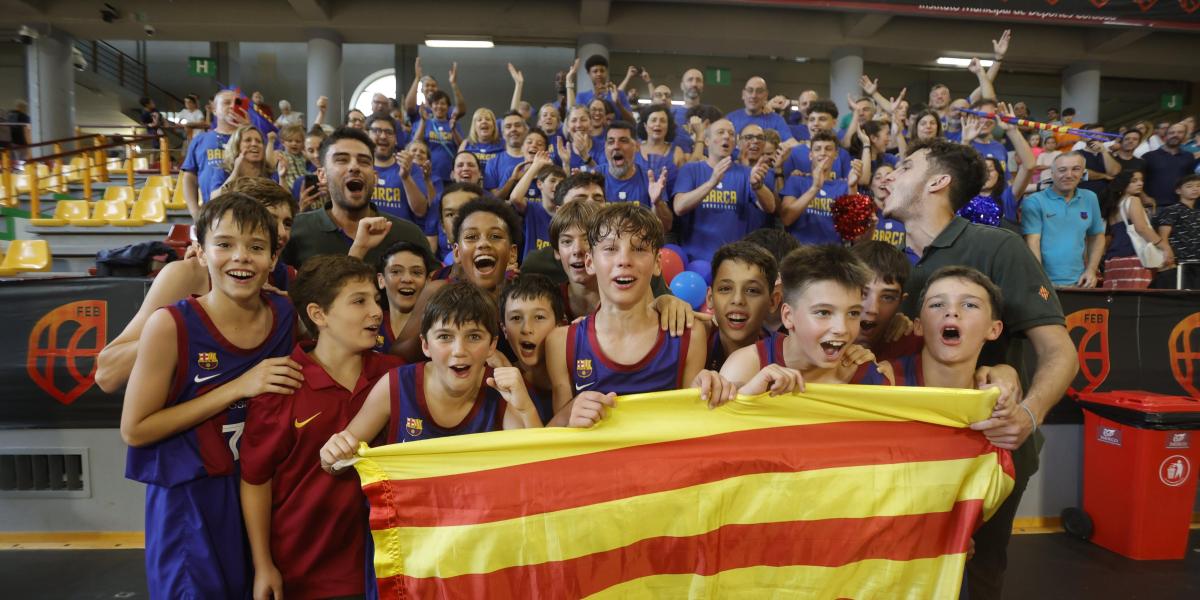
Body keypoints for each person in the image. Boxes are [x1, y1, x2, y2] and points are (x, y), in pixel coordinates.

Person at [880, 138, 1078, 600]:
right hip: (911, 454)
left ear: (938, 181)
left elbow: (1060, 352)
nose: (890, 174)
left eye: (905, 165)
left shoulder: (996, 246)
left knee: (980, 576)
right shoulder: (897, 265)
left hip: (988, 453)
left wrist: (1027, 415)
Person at [121, 194, 300, 598]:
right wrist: (238, 386)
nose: (241, 258)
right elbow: (134, 430)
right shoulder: (169, 325)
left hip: (257, 493)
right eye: (225, 244)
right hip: (191, 501)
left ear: (273, 260)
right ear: (200, 253)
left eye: (256, 247)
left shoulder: (284, 315)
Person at [240, 255, 402, 600]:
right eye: (359, 301)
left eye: (376, 299)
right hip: (305, 573)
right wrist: (262, 565)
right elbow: (256, 481)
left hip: (387, 569)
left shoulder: (396, 376)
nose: (376, 311)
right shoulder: (281, 385)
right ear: (318, 315)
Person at [96, 178, 299, 393]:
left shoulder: (287, 280)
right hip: (187, 420)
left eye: (287, 223)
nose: (282, 232)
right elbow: (108, 374)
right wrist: (190, 327)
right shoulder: (187, 274)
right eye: (270, 218)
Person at [319, 281, 541, 466]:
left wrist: (526, 408)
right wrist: (331, 455)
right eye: (445, 337)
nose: (459, 351)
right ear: (425, 345)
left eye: (473, 337)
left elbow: (539, 469)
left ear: (492, 345)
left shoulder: (504, 392)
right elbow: (336, 462)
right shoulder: (396, 385)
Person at [546, 204, 723, 427]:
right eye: (610, 249)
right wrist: (570, 413)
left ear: (658, 263)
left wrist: (710, 392)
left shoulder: (687, 334)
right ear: (590, 262)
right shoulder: (561, 342)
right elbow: (553, 442)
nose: (624, 260)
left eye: (639, 248)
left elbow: (693, 428)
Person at [719, 243, 889, 388]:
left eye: (853, 313)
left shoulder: (869, 378)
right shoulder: (746, 367)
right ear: (788, 316)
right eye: (823, 312)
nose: (841, 328)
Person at [281, 127, 430, 269]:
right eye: (342, 160)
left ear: (375, 177)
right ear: (322, 175)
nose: (354, 167)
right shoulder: (294, 231)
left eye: (364, 161)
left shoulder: (409, 234)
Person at [673, 119, 775, 262]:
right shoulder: (691, 169)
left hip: (734, 260)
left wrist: (758, 187)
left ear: (735, 143)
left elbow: (770, 207)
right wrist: (711, 183)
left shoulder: (746, 173)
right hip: (695, 260)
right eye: (720, 132)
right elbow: (679, 207)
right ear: (707, 141)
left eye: (731, 134)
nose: (727, 136)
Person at [1021, 152, 1106, 288]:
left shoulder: (1090, 198)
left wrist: (1091, 270)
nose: (1069, 175)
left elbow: (1097, 236)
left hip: (1079, 282)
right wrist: (1041, 280)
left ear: (1083, 172)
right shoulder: (1034, 201)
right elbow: (1032, 242)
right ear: (1052, 173)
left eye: (1076, 169)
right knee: (1046, 309)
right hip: (1043, 283)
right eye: (1062, 170)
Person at [499, 274, 567, 424]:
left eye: (539, 317)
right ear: (504, 329)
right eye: (516, 318)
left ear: (560, 325)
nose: (527, 329)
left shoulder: (583, 376)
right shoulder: (498, 386)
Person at [705, 242, 780, 371]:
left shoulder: (784, 353)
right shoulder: (693, 341)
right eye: (725, 288)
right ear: (710, 298)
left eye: (752, 290)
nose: (738, 300)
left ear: (772, 301)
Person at [780, 131, 862, 245]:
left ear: (836, 155)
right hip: (799, 253)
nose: (823, 153)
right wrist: (814, 188)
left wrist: (853, 187)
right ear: (810, 155)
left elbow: (854, 231)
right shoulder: (796, 180)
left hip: (832, 254)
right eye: (817, 149)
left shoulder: (844, 186)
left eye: (828, 149)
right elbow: (786, 219)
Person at [182, 89, 245, 219]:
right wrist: (195, 212)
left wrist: (247, 128)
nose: (233, 106)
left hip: (246, 210)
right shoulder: (200, 140)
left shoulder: (250, 138)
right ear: (214, 109)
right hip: (212, 211)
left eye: (237, 102)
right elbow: (189, 178)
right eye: (227, 102)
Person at [598, 121, 672, 231]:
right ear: (605, 148)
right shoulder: (594, 177)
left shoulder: (650, 179)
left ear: (637, 146)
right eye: (611, 142)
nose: (616, 146)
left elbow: (665, 227)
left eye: (623, 141)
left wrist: (657, 203)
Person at [1100, 171, 1163, 289]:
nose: (1140, 183)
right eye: (1134, 181)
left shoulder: (1113, 206)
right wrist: (1163, 246)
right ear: (1123, 184)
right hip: (1133, 256)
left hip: (1113, 259)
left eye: (1141, 180)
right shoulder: (1133, 200)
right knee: (1137, 302)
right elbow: (1141, 228)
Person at [365, 113, 428, 226]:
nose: (383, 136)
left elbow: (420, 211)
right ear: (367, 135)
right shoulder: (358, 167)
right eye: (377, 131)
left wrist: (406, 177)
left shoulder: (410, 167)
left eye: (389, 132)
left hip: (400, 238)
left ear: (396, 139)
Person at [375, 241, 438, 352]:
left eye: (416, 272)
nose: (407, 279)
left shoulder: (438, 326)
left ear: (428, 281)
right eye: (396, 271)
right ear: (381, 280)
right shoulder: (370, 324)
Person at [1152, 174, 1200, 289]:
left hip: (1197, 263)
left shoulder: (1197, 212)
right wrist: (1167, 256)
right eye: (1189, 186)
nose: (1195, 189)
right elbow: (1163, 236)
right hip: (1180, 264)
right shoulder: (1171, 210)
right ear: (1178, 190)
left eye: (1198, 186)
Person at [1143, 123, 1200, 208]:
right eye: (1171, 133)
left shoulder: (1188, 156)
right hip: (1155, 206)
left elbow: (1190, 181)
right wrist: (1144, 197)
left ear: (1184, 136)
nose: (1175, 135)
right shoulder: (1149, 156)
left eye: (1180, 132)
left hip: (1182, 206)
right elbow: (1138, 179)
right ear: (1165, 136)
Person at [412, 90, 461, 184]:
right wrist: (423, 121)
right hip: (427, 173)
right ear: (431, 106)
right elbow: (415, 144)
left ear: (448, 107)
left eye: (443, 103)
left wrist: (454, 130)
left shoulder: (454, 124)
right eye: (436, 103)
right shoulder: (422, 123)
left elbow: (461, 146)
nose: (439, 106)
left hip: (449, 174)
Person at [726, 76, 795, 143]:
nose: (753, 95)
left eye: (759, 91)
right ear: (743, 94)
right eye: (750, 90)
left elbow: (790, 143)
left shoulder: (777, 121)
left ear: (766, 95)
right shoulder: (730, 119)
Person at [484, 110, 531, 197]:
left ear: (525, 130)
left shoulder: (537, 160)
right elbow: (494, 200)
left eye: (517, 125)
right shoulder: (492, 163)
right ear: (503, 133)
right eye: (508, 126)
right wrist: (512, 180)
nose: (513, 129)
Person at [460, 107, 505, 173]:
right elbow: (458, 166)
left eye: (488, 119)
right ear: (474, 127)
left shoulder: (504, 144)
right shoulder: (466, 144)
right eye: (479, 120)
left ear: (494, 125)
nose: (484, 121)